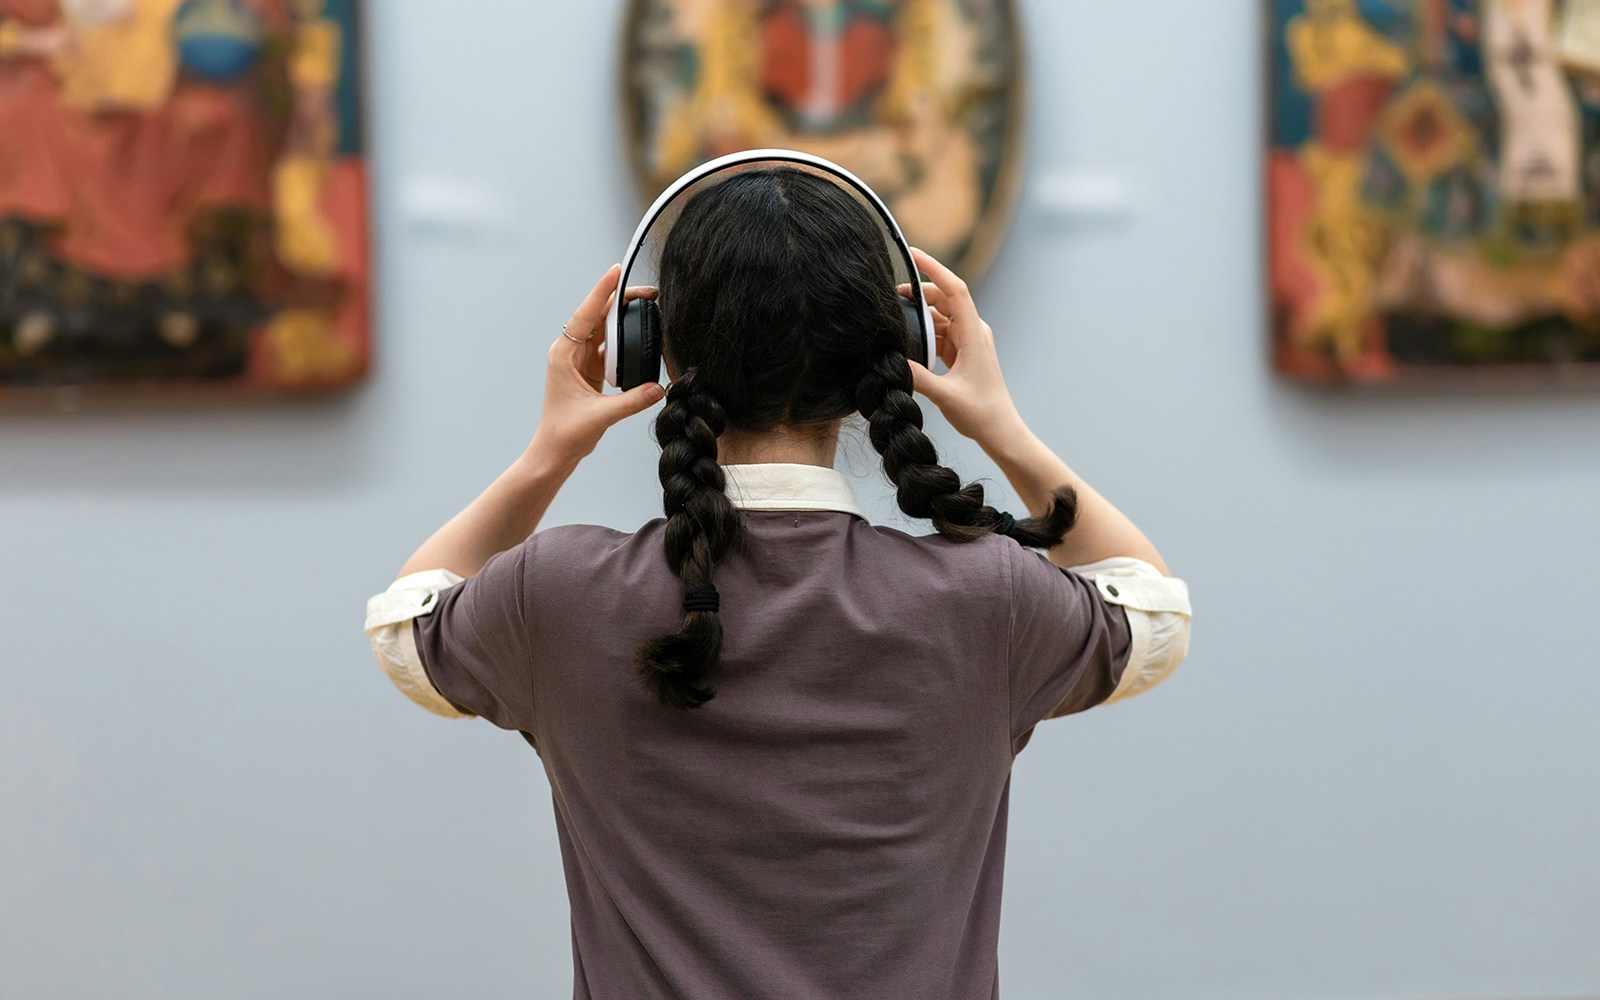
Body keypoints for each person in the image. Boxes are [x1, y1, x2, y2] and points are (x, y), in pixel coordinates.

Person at [364, 167, 1192, 1000]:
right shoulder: (989, 600)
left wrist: (548, 454)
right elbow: (1151, 611)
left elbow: (406, 625)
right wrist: (998, 424)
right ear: (896, 351)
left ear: (653, 346)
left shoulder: (558, 594)